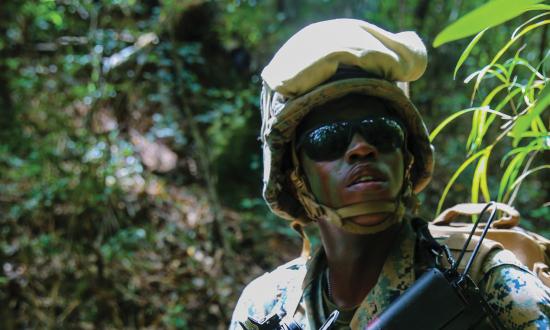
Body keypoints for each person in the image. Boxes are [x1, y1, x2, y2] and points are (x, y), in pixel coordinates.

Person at [230, 19, 550, 329]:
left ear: (407, 154)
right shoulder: (266, 308)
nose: (361, 148)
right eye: (327, 139)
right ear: (293, 175)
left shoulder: (482, 278)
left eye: (382, 132)